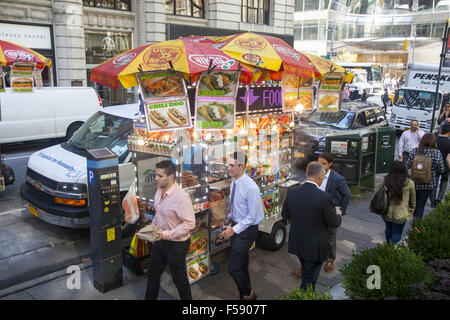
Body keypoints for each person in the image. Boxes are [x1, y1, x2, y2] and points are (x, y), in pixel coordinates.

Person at [282, 162, 342, 291]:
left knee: (306, 272)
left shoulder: (292, 191)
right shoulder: (324, 197)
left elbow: (285, 214)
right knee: (310, 281)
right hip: (315, 247)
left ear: (307, 173)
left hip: (298, 242)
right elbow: (334, 223)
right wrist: (338, 214)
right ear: (320, 176)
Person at [145, 160, 196, 300]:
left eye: (160, 176)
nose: (156, 179)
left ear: (171, 176)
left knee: (179, 278)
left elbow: (190, 224)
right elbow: (159, 214)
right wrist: (151, 229)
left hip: (177, 244)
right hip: (160, 240)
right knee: (153, 273)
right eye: (156, 175)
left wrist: (166, 234)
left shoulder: (181, 197)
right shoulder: (159, 191)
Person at [293, 153, 350, 276]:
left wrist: (341, 211)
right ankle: (306, 266)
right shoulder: (314, 174)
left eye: (324, 164)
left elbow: (346, 194)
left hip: (330, 210)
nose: (321, 166)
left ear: (330, 164)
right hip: (314, 210)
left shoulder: (337, 179)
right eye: (319, 163)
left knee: (330, 236)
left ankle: (330, 260)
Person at [219, 151, 264, 300]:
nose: (228, 168)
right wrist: (229, 218)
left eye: (232, 165)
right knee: (242, 263)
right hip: (236, 225)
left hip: (247, 230)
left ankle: (247, 294)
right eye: (228, 165)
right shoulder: (234, 182)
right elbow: (237, 206)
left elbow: (252, 216)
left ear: (242, 166)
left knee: (233, 268)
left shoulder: (251, 188)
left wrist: (233, 230)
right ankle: (246, 293)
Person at [407, 133, 445, 220]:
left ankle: (408, 218)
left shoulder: (415, 151)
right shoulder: (436, 152)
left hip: (414, 182)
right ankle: (416, 225)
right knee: (421, 205)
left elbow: (408, 165)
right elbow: (441, 169)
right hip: (428, 183)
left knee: (412, 203)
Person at [382, 161, 416, 244]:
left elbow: (378, 193)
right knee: (397, 232)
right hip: (401, 213)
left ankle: (388, 245)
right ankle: (392, 249)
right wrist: (412, 207)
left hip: (387, 211)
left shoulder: (386, 180)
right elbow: (413, 198)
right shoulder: (410, 183)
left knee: (388, 229)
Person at [433, 123, 450, 206]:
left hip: (435, 165)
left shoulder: (435, 140)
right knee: (444, 182)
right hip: (446, 167)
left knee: (434, 182)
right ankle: (439, 199)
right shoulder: (449, 142)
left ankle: (432, 199)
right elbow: (448, 158)